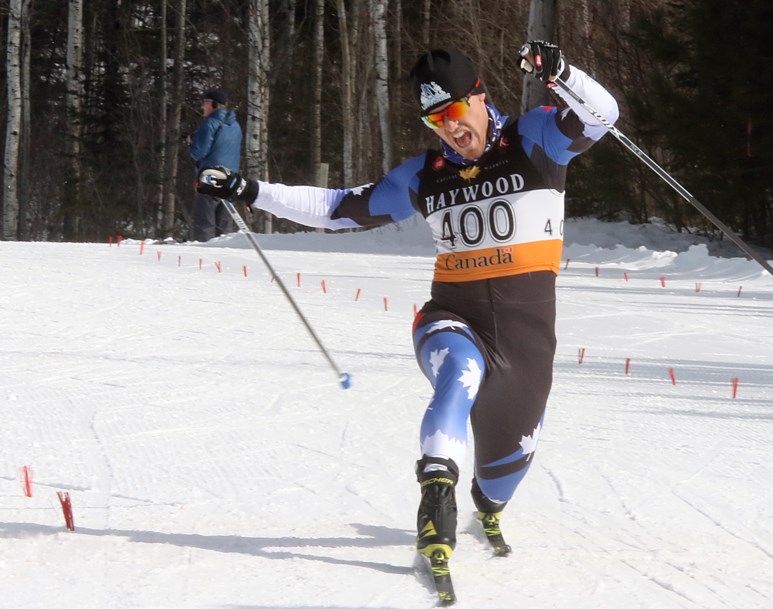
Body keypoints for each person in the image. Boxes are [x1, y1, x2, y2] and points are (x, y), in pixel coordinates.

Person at [197, 42, 618, 567]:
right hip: (452, 315)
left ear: (480, 97)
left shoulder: (535, 140)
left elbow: (604, 114)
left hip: (526, 339)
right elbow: (338, 208)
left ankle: (487, 504)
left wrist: (559, 72)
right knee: (459, 372)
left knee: (504, 471)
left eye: (454, 113)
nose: (448, 129)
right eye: (434, 121)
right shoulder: (426, 174)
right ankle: (436, 493)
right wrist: (249, 189)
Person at [188, 87, 242, 242]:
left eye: (206, 102)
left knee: (204, 223)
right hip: (231, 179)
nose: (202, 106)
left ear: (215, 104)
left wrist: (191, 143)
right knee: (224, 226)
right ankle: (224, 256)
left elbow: (198, 152)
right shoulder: (235, 126)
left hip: (210, 178)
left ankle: (204, 257)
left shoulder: (210, 123)